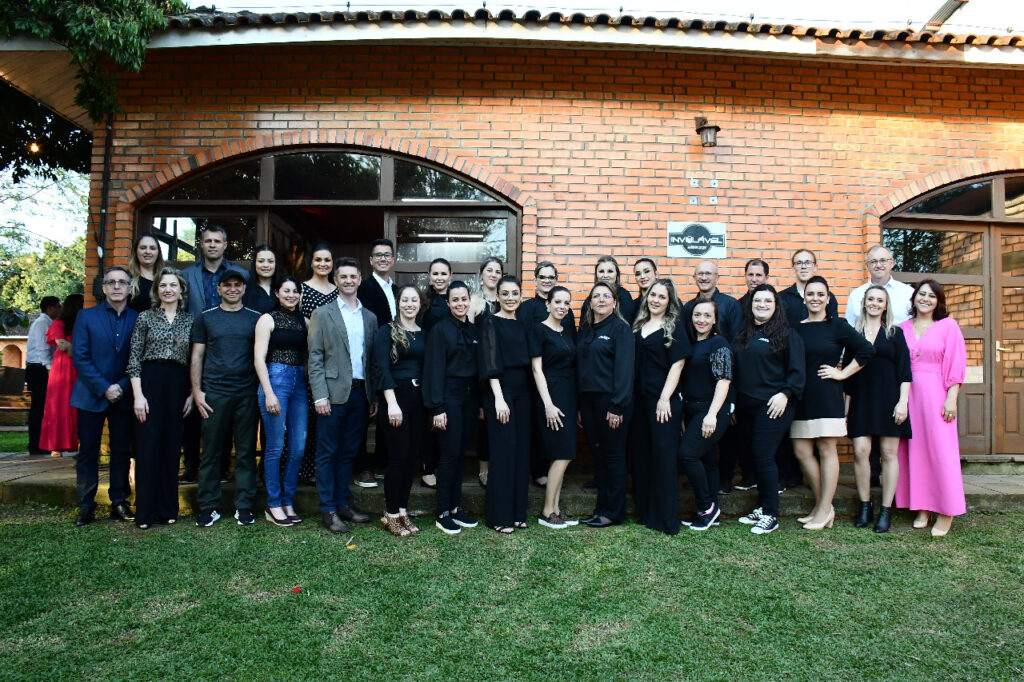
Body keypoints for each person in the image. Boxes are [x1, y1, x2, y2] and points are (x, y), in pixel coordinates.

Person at [790, 276, 874, 530]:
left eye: (820, 294)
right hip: (802, 397)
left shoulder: (838, 325)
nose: (815, 298)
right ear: (804, 297)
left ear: (828, 298)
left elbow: (866, 350)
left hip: (827, 395)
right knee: (802, 451)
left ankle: (824, 509)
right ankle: (823, 506)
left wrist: (842, 373)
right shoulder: (796, 327)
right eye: (810, 293)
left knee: (827, 449)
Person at [307, 257, 377, 535]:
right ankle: (328, 510)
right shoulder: (322, 314)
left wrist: (373, 396)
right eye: (343, 276)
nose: (349, 281)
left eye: (353, 276)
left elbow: (369, 359)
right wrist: (319, 395)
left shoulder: (369, 317)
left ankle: (342, 504)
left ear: (360, 280)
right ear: (335, 281)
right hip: (332, 395)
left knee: (348, 453)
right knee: (327, 453)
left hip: (361, 394)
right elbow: (314, 357)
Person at [190, 268, 262, 527]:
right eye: (227, 285)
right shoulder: (206, 317)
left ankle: (244, 506)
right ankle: (208, 506)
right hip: (215, 394)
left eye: (237, 285)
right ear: (218, 288)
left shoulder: (255, 318)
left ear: (244, 288)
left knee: (244, 453)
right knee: (211, 452)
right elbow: (197, 355)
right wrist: (197, 391)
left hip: (246, 393)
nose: (233, 288)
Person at [732, 284, 805, 535]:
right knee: (753, 456)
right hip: (745, 405)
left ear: (776, 306)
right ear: (750, 305)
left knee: (764, 455)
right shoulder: (743, 333)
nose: (762, 305)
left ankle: (771, 514)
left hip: (773, 405)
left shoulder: (787, 334)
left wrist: (785, 394)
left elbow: (797, 373)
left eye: (767, 301)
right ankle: (762, 508)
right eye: (757, 301)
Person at [897, 280, 967, 537]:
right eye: (921, 294)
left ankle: (946, 511)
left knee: (941, 452)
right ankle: (922, 507)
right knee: (914, 451)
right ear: (914, 298)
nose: (925, 299)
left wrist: (952, 397)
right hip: (908, 395)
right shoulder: (901, 328)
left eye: (931, 296)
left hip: (937, 394)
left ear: (938, 301)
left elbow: (956, 363)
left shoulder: (948, 326)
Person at [69, 268, 139, 526]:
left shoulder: (137, 318)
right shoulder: (86, 317)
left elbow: (137, 358)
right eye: (112, 282)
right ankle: (86, 505)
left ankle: (119, 501)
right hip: (90, 394)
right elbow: (81, 357)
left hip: (123, 395)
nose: (117, 286)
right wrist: (104, 387)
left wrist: (120, 386)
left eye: (122, 282)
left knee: (121, 450)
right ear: (104, 288)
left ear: (130, 288)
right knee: (88, 451)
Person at [180, 225, 250, 484]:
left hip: (228, 347)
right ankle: (191, 467)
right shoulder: (187, 275)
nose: (212, 245)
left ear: (225, 244)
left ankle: (222, 467)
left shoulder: (240, 275)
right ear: (201, 244)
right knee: (194, 406)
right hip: (197, 345)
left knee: (226, 411)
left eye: (216, 241)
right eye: (207, 241)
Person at [128, 267, 193, 529]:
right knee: (147, 448)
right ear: (157, 290)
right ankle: (145, 512)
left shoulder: (190, 321)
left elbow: (194, 361)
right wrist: (138, 395)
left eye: (173, 285)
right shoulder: (144, 318)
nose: (168, 289)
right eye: (163, 285)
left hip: (178, 386)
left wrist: (191, 392)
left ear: (181, 291)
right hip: (150, 384)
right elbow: (133, 358)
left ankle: (167, 509)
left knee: (170, 447)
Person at [846, 285, 912, 533]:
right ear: (864, 303)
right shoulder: (854, 334)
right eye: (871, 299)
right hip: (861, 400)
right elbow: (849, 377)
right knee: (861, 451)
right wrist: (845, 409)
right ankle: (865, 506)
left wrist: (902, 402)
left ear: (886, 305)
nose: (874, 303)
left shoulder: (895, 333)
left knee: (889, 453)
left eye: (879, 300)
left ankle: (886, 510)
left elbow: (905, 371)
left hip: (889, 400)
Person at [631, 278, 690, 534]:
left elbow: (678, 364)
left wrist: (665, 398)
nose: (655, 300)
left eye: (661, 297)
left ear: (669, 301)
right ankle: (646, 513)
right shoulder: (639, 324)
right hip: (638, 402)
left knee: (664, 459)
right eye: (652, 295)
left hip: (662, 403)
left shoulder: (674, 326)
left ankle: (665, 519)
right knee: (642, 456)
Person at [423, 281, 480, 535]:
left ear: (470, 301)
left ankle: (456, 508)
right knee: (448, 456)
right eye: (454, 300)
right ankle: (443, 512)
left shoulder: (473, 329)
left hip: (469, 400)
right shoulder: (439, 330)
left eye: (463, 299)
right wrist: (437, 408)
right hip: (448, 398)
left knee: (459, 456)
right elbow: (433, 370)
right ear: (448, 303)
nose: (460, 304)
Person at [577, 282, 635, 527]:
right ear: (590, 302)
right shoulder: (587, 329)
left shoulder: (620, 329)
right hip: (588, 403)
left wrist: (617, 406)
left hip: (610, 402)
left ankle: (613, 511)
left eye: (606, 296)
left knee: (613, 457)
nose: (601, 300)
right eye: (596, 296)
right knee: (599, 456)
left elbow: (625, 371)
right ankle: (600, 509)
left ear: (614, 302)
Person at [478, 276, 532, 534]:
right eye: (506, 293)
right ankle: (499, 517)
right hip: (501, 392)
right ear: (497, 296)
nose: (511, 298)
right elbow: (491, 363)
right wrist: (499, 398)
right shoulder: (490, 322)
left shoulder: (523, 325)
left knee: (521, 453)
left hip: (524, 394)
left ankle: (518, 513)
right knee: (503, 453)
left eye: (515, 293)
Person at [254, 275, 308, 527]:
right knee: (275, 446)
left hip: (299, 382)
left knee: (298, 446)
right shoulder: (267, 319)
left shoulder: (303, 321)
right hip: (275, 379)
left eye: (295, 291)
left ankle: (287, 499)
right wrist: (268, 392)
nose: (291, 295)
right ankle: (273, 503)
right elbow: (258, 359)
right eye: (286, 291)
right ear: (276, 293)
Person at [517, 260, 577, 487]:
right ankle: (539, 471)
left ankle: (555, 472)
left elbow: (569, 341)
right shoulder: (528, 308)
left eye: (551, 277)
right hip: (537, 374)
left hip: (562, 379)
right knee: (539, 427)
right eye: (543, 277)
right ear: (535, 280)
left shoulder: (566, 313)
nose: (547, 280)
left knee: (557, 429)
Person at [375, 285, 426, 537]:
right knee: (397, 457)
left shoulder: (423, 333)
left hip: (418, 401)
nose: (409, 304)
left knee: (409, 459)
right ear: (398, 303)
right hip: (395, 399)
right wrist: (391, 402)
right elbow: (382, 368)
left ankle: (402, 511)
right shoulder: (387, 331)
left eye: (413, 300)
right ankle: (390, 514)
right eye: (405, 300)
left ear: (420, 304)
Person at [679, 300, 734, 531]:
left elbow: (723, 381)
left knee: (687, 455)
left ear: (714, 319)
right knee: (708, 460)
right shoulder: (691, 343)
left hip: (710, 411)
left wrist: (711, 415)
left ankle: (706, 506)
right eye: (697, 315)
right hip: (692, 409)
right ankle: (713, 513)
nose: (701, 319)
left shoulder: (718, 343)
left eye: (706, 316)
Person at [529, 285, 578, 529]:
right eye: (557, 301)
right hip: (551, 396)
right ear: (547, 304)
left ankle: (557, 509)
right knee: (562, 453)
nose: (562, 306)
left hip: (569, 396)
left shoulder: (566, 330)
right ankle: (547, 511)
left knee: (563, 453)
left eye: (566, 302)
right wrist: (547, 404)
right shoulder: (539, 330)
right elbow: (537, 369)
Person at [720, 259, 770, 492]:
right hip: (741, 378)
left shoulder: (773, 305)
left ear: (766, 278)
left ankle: (763, 478)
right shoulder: (738, 306)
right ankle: (746, 475)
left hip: (767, 381)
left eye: (759, 275)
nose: (754, 279)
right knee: (740, 430)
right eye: (750, 274)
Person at [356, 238, 399, 486]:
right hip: (370, 357)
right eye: (378, 255)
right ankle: (362, 467)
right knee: (366, 413)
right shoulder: (364, 288)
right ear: (371, 260)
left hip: (393, 360)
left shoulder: (397, 290)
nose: (383, 258)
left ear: (392, 259)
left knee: (387, 412)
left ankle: (382, 463)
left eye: (387, 255)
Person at [299, 244, 340, 486]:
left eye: (327, 259)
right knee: (309, 415)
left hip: (334, 361)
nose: (323, 263)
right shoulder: (303, 290)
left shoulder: (337, 292)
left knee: (326, 420)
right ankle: (304, 470)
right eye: (318, 260)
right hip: (310, 358)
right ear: (311, 262)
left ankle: (321, 469)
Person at [419, 258, 451, 488]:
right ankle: (427, 467)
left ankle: (442, 465)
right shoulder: (423, 301)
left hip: (450, 365)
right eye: (435, 274)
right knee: (429, 419)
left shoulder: (455, 299)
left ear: (450, 275)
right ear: (429, 276)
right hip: (427, 363)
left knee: (446, 419)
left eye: (443, 273)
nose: (439, 277)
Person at [40, 294, 83, 455]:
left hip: (79, 368)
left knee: (77, 406)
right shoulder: (58, 323)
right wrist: (77, 348)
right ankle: (55, 445)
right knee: (59, 405)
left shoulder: (82, 324)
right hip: (62, 369)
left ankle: (77, 442)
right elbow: (62, 345)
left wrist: (73, 347)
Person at [845, 244, 915, 327]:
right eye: (873, 261)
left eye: (883, 260)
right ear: (867, 266)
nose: (878, 265)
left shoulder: (908, 293)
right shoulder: (856, 294)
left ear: (891, 263)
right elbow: (849, 327)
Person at [26, 296, 60, 455]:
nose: (60, 309)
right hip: (39, 368)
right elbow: (42, 349)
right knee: (39, 407)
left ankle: (42, 443)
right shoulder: (42, 323)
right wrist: (50, 368)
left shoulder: (47, 323)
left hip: (41, 368)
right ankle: (35, 445)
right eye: (58, 306)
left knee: (43, 407)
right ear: (50, 308)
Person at [681, 260, 743, 342]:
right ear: (694, 277)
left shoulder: (731, 305)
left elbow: (737, 339)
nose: (704, 278)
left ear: (717, 278)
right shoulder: (688, 307)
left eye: (708, 274)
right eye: (700, 274)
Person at [779, 249, 838, 324]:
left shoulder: (827, 297)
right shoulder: (781, 297)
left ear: (815, 267)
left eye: (808, 262)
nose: (803, 266)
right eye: (799, 263)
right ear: (793, 268)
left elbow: (834, 326)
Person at [580, 255, 637, 324]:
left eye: (610, 271)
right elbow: (583, 329)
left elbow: (624, 326)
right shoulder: (590, 299)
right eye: (601, 271)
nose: (605, 275)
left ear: (617, 274)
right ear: (596, 275)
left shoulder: (624, 296)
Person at [128, 234, 165, 313]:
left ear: (158, 252)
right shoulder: (127, 279)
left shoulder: (165, 279)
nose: (148, 251)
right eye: (143, 248)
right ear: (136, 251)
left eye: (152, 248)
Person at [244, 244, 278, 314]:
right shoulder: (245, 288)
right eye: (261, 261)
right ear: (254, 263)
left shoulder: (283, 287)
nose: (266, 265)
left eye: (270, 261)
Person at [468, 256, 503, 323]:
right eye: (489, 271)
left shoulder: (505, 301)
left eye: (498, 272)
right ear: (481, 274)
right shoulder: (473, 301)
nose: (494, 275)